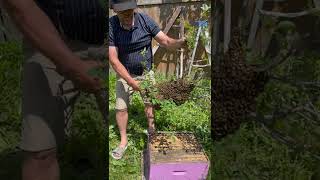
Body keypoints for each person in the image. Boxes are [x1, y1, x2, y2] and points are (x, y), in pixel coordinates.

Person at [1, 0, 106, 179]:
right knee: (39, 151)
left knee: (123, 135)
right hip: (48, 40)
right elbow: (19, 5)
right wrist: (70, 65)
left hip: (109, 41)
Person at [109, 0, 185, 160]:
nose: (127, 14)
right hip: (125, 74)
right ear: (115, 11)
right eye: (123, 12)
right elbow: (114, 60)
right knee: (121, 108)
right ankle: (123, 141)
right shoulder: (112, 25)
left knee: (149, 102)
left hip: (146, 72)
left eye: (129, 10)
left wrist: (180, 43)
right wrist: (130, 81)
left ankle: (152, 130)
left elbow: (165, 41)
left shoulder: (144, 20)